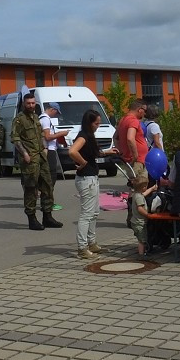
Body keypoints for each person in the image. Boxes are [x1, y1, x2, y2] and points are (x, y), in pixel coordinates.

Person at [68, 108, 119, 259]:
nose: (98, 126)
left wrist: (107, 152)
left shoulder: (89, 136)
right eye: (96, 123)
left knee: (94, 212)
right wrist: (82, 162)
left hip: (92, 178)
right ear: (89, 123)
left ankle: (92, 243)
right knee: (87, 214)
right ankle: (82, 248)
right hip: (86, 179)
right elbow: (72, 151)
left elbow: (93, 152)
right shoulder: (83, 136)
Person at [11, 93, 61, 230]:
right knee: (31, 188)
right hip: (30, 159)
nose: (31, 106)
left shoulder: (35, 117)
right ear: (24, 104)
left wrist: (44, 147)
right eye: (28, 103)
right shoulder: (19, 120)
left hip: (41, 156)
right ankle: (32, 218)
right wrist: (25, 153)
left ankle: (47, 216)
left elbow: (40, 135)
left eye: (33, 103)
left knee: (47, 185)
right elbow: (15, 139)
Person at [41, 103, 70, 207]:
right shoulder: (45, 119)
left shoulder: (45, 119)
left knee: (51, 176)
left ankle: (48, 200)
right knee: (50, 177)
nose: (57, 114)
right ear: (52, 109)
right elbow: (47, 137)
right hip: (49, 151)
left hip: (50, 149)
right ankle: (47, 202)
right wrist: (61, 134)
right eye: (57, 112)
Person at [115, 99, 149, 181]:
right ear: (140, 110)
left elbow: (115, 137)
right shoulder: (133, 121)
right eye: (145, 111)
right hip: (137, 161)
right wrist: (135, 155)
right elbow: (130, 138)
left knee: (134, 186)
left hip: (130, 160)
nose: (145, 114)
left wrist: (121, 151)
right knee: (140, 186)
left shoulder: (123, 120)